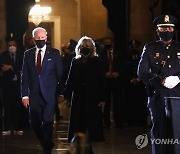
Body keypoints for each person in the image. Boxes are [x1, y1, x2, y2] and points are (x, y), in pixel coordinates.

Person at [137, 15, 180, 154]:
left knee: (177, 131)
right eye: (163, 28)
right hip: (158, 96)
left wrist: (178, 78)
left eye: (169, 28)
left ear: (173, 30)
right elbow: (142, 72)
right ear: (157, 30)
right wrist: (160, 80)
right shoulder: (150, 48)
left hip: (177, 96)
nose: (166, 30)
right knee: (159, 132)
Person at [21, 27, 64, 154]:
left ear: (46, 38)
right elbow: (25, 76)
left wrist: (61, 93)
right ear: (34, 39)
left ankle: (46, 149)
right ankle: (46, 143)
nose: (40, 40)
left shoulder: (54, 53)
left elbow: (60, 75)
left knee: (47, 122)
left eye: (42, 38)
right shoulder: (28, 54)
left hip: (49, 95)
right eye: (38, 38)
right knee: (34, 123)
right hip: (33, 94)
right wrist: (24, 95)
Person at [64, 36, 105, 154]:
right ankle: (80, 147)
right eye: (82, 46)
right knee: (79, 124)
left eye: (87, 46)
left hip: (93, 98)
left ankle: (88, 148)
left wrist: (103, 98)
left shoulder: (97, 61)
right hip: (78, 97)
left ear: (91, 48)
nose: (84, 48)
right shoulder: (75, 61)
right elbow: (70, 79)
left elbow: (101, 81)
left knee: (90, 124)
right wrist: (66, 95)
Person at [0, 37, 24, 135]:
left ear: (17, 46)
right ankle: (7, 127)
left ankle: (18, 127)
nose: (12, 47)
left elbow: (22, 68)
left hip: (18, 85)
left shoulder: (21, 55)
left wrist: (10, 67)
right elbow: (3, 68)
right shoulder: (3, 55)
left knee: (17, 106)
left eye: (13, 45)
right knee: (7, 106)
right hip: (7, 85)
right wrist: (14, 68)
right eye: (10, 46)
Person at [99, 36, 124, 128]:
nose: (107, 45)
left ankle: (119, 121)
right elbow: (99, 68)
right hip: (106, 81)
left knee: (118, 101)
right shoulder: (101, 55)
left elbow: (123, 66)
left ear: (112, 43)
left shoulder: (119, 54)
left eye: (108, 43)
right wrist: (104, 73)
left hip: (116, 80)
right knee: (106, 102)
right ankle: (106, 122)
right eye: (105, 43)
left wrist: (118, 73)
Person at [124, 40, 147, 127]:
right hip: (129, 84)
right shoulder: (126, 58)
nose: (134, 48)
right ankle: (130, 121)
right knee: (129, 102)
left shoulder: (143, 58)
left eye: (135, 47)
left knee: (140, 102)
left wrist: (138, 79)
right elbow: (124, 70)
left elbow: (145, 70)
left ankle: (140, 121)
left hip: (140, 84)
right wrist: (130, 79)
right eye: (132, 47)